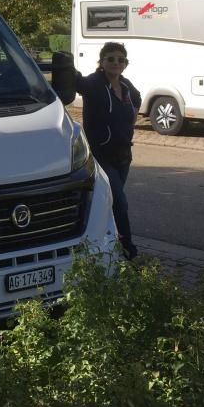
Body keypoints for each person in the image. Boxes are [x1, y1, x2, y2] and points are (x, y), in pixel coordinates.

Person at [74, 41, 141, 261]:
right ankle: (127, 248)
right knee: (120, 202)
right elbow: (75, 82)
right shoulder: (94, 83)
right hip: (102, 155)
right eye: (110, 58)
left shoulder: (127, 86)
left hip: (124, 156)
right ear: (102, 62)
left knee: (109, 201)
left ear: (126, 64)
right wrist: (65, 65)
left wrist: (129, 125)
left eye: (120, 59)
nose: (115, 63)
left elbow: (137, 101)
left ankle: (104, 242)